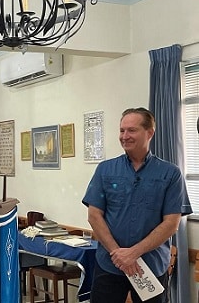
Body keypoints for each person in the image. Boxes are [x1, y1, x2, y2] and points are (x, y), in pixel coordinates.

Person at [82, 107, 192, 303]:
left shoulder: (170, 174)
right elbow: (94, 215)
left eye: (131, 130)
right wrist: (119, 254)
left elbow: (171, 224)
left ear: (149, 132)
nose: (124, 136)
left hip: (150, 266)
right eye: (122, 130)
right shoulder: (105, 170)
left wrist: (133, 253)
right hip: (110, 264)